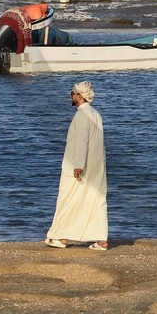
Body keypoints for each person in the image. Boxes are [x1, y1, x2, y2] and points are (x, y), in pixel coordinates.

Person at [45, 80, 107, 250]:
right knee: (96, 201)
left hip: (79, 166)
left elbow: (81, 141)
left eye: (72, 93)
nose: (70, 96)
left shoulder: (82, 116)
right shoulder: (95, 114)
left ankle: (60, 237)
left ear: (80, 96)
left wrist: (78, 165)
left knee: (68, 199)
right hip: (96, 165)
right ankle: (102, 240)